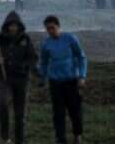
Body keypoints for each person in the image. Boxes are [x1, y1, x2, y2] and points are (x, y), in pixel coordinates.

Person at [0, 10, 38, 144]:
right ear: (6, 25)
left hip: (21, 79)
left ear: (19, 26)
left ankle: (20, 140)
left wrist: (25, 67)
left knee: (19, 113)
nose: (13, 28)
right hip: (4, 79)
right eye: (10, 25)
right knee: (2, 103)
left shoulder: (25, 39)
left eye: (15, 25)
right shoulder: (0, 39)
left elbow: (33, 58)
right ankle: (5, 137)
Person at [38, 15, 87, 144]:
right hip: (55, 82)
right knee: (58, 112)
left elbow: (81, 57)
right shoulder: (46, 44)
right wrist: (42, 78)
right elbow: (43, 62)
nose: (50, 31)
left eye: (52, 28)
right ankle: (60, 138)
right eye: (47, 29)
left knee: (74, 110)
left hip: (71, 80)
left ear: (58, 27)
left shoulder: (70, 39)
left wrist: (82, 76)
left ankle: (77, 135)